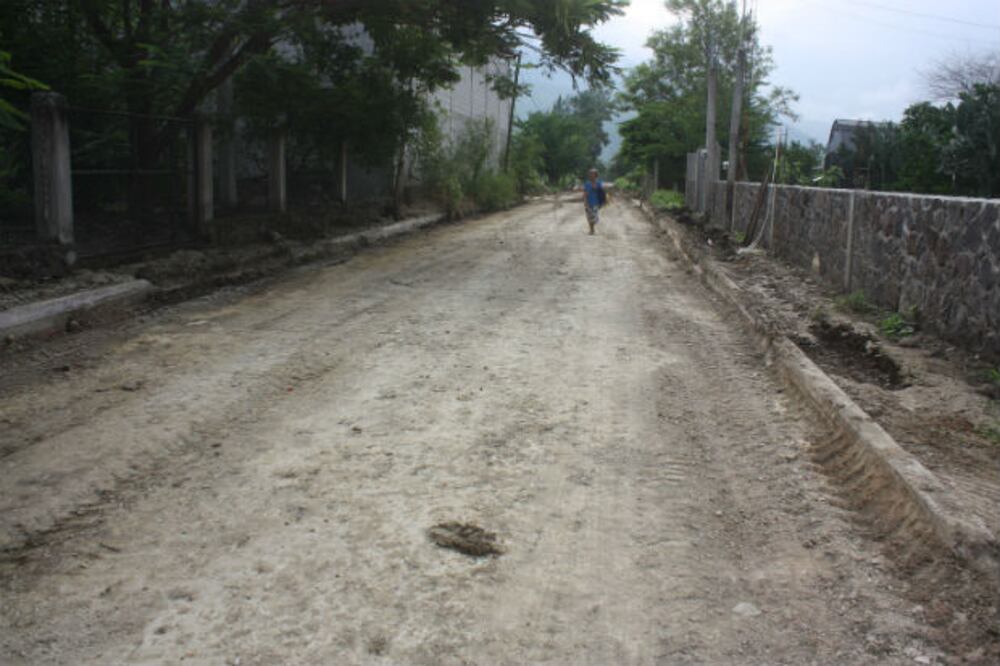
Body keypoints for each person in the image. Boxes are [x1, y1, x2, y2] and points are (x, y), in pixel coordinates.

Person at [582, 168, 606, 235]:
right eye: (590, 174)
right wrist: (585, 201)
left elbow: (602, 193)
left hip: (596, 202)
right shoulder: (587, 183)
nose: (591, 175)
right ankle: (591, 229)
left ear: (596, 175)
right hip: (588, 202)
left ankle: (592, 227)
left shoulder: (599, 183)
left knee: (594, 216)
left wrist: (603, 202)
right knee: (589, 216)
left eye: (593, 174)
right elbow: (585, 193)